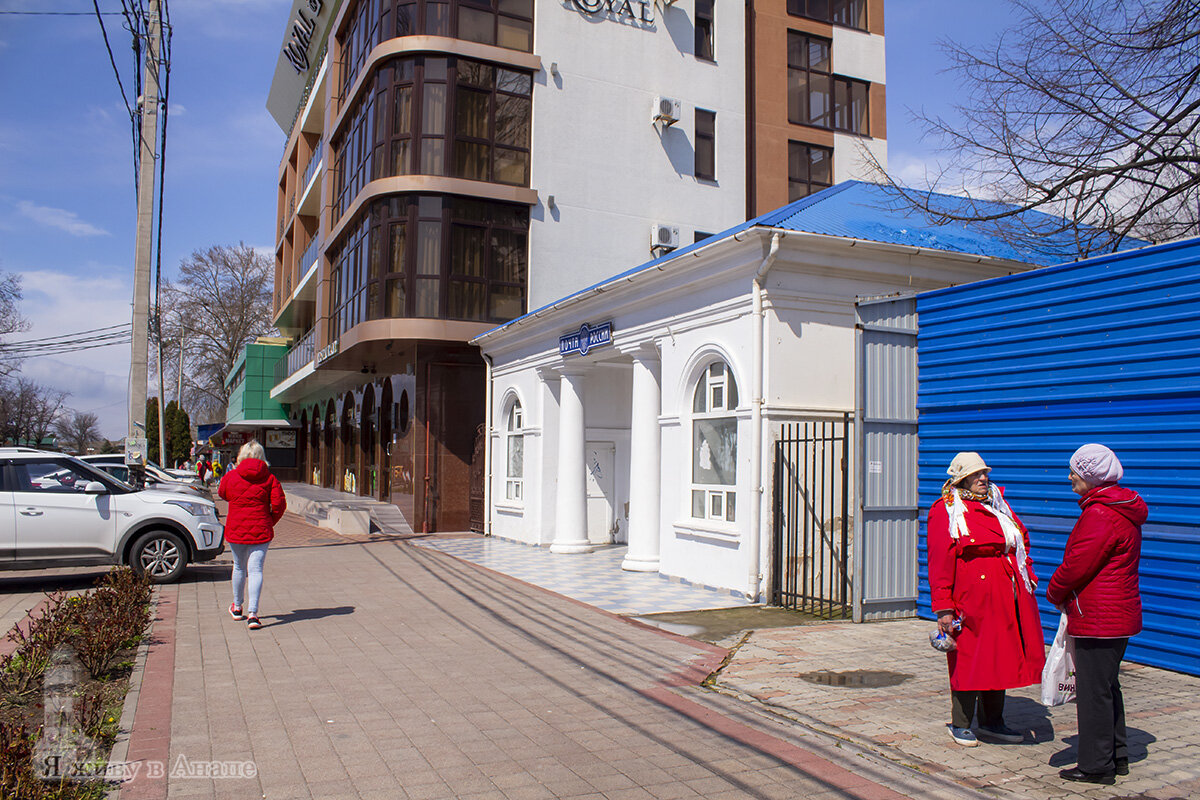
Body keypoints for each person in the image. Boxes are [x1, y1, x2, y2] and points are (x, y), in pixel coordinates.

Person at [927, 452, 1045, 747]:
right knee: (969, 657)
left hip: (1008, 594)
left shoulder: (998, 505)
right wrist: (943, 606)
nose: (983, 478)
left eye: (984, 473)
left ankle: (993, 721)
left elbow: (1021, 539)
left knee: (1001, 654)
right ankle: (961, 722)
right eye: (975, 474)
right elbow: (940, 560)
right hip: (972, 598)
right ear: (960, 478)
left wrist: (1026, 572)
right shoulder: (947, 509)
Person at [1048, 444, 1146, 785]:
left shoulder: (1100, 514)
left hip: (1099, 617)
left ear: (1090, 477)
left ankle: (1095, 766)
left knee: (1093, 694)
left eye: (1075, 471)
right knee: (1107, 688)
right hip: (1115, 616)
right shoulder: (1119, 508)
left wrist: (1054, 591)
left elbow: (1077, 566)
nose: (1070, 477)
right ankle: (1115, 756)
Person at [218, 440, 287, 630]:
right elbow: (280, 504)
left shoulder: (231, 476)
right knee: (256, 570)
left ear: (241, 455)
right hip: (261, 530)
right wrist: (269, 520)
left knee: (239, 567)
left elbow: (222, 493)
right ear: (261, 456)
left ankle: (237, 606)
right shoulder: (269, 478)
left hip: (236, 529)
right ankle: (253, 614)